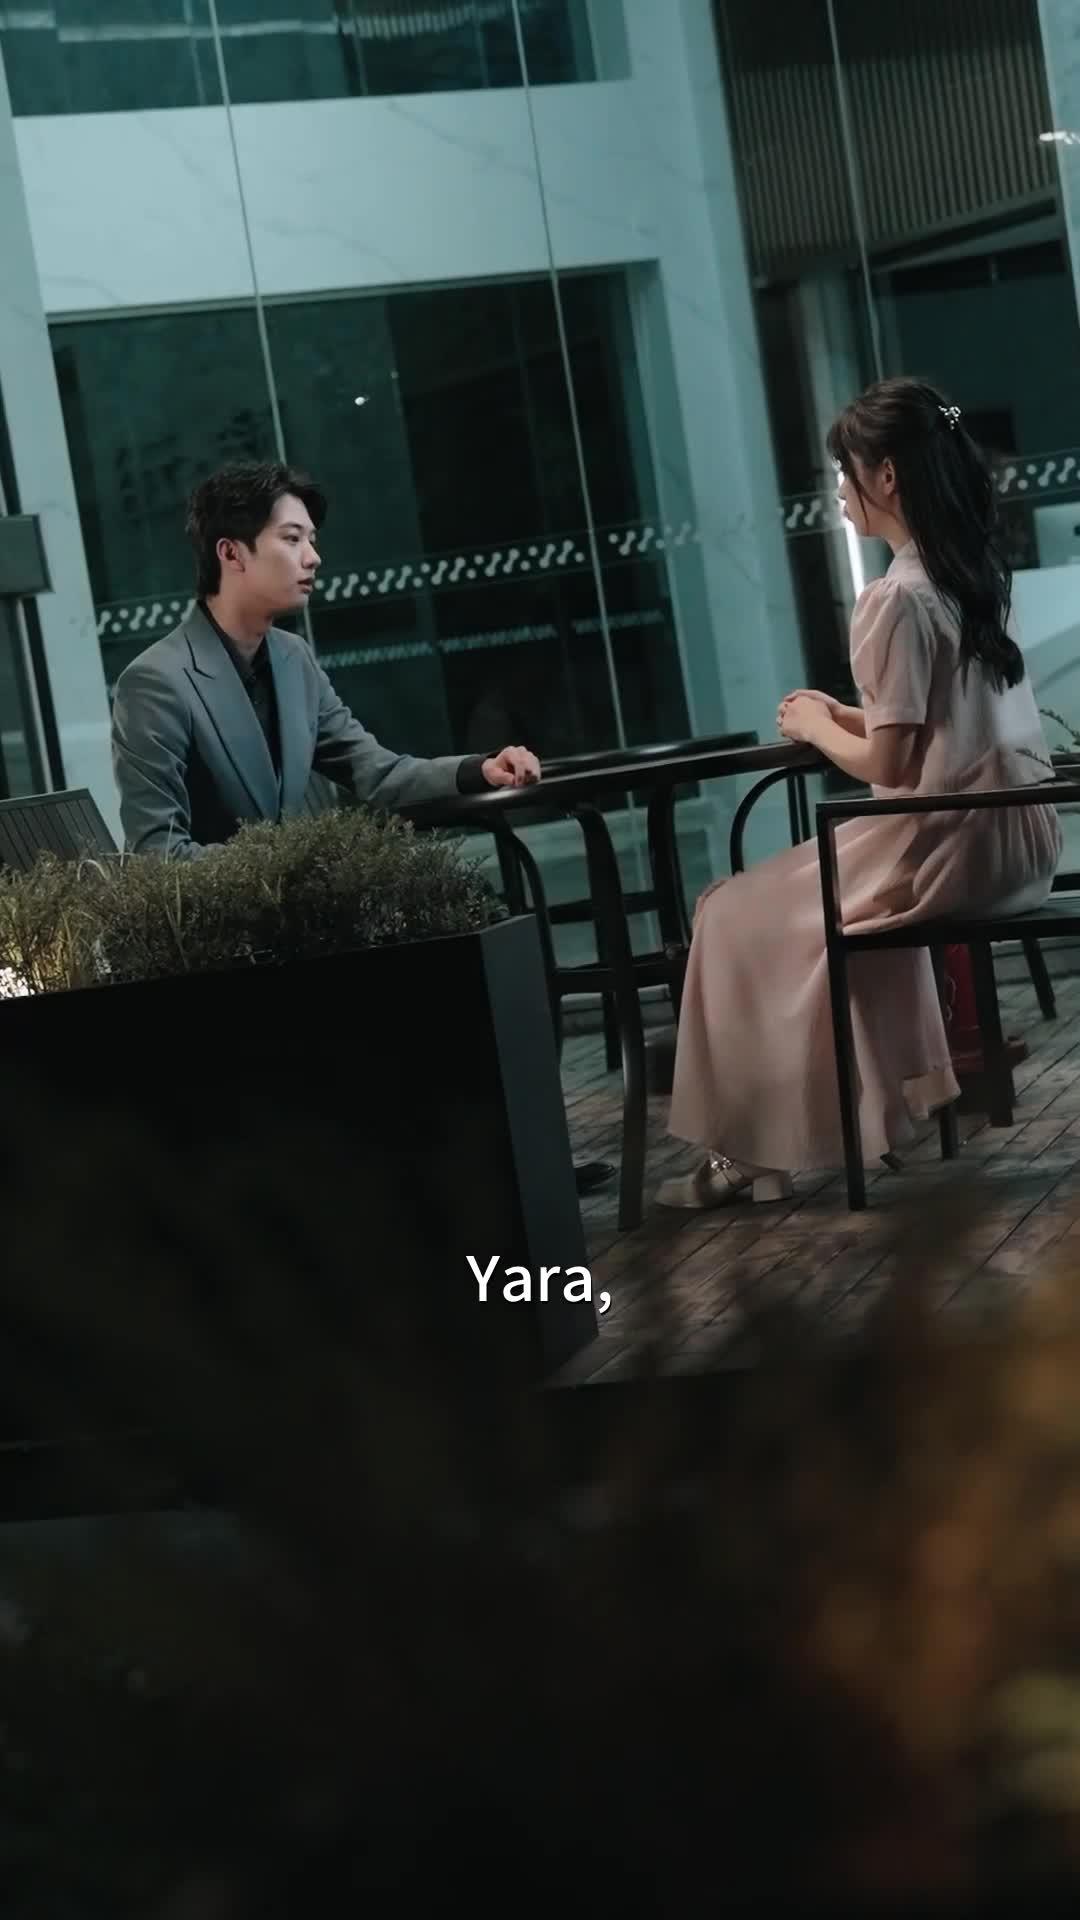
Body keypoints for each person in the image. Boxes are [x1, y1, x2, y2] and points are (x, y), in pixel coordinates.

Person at [659, 376, 1062, 1208]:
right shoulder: (973, 577)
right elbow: (939, 722)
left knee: (728, 913)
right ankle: (874, 1111)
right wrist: (846, 713)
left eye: (845, 472)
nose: (840, 492)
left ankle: (749, 1152)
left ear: (886, 475)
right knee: (791, 910)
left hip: (942, 845)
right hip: (1016, 838)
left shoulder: (895, 598)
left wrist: (814, 725)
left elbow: (890, 766)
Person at [110, 460, 540, 859]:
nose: (313, 557)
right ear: (231, 554)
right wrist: (296, 868)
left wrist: (480, 770)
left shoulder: (292, 658)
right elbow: (158, 854)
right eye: (292, 539)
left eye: (311, 541)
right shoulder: (156, 682)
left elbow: (378, 774)